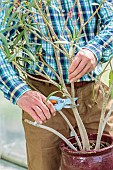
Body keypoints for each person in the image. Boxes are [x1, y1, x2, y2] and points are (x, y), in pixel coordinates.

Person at [0, 0, 113, 170]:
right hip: (44, 101)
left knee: (103, 163)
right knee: (43, 166)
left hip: (93, 95)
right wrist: (19, 92)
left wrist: (96, 49)